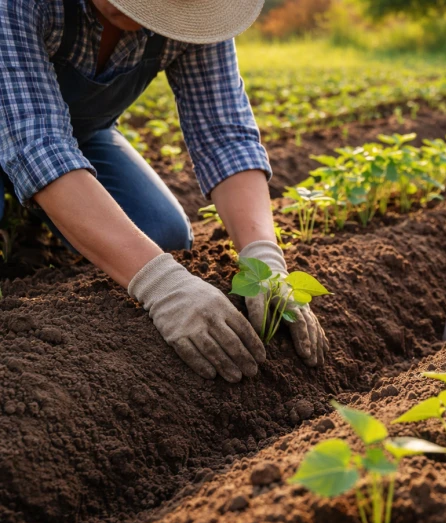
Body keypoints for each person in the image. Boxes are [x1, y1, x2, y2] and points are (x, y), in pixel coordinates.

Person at [0, 0, 328, 383]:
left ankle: (42, 210)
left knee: (161, 233)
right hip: (30, 132)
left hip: (79, 136)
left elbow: (225, 135)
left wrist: (264, 261)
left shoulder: (199, 13)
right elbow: (36, 143)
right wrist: (160, 284)